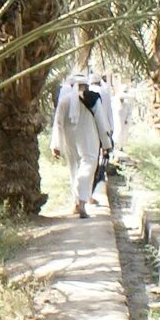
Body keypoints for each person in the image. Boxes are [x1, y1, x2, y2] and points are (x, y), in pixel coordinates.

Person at [50, 73, 102, 217]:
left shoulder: (64, 101)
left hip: (69, 139)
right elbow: (101, 122)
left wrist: (56, 145)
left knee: (74, 168)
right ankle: (82, 203)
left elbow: (58, 124)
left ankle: (76, 202)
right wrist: (107, 142)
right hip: (89, 139)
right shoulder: (92, 99)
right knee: (88, 164)